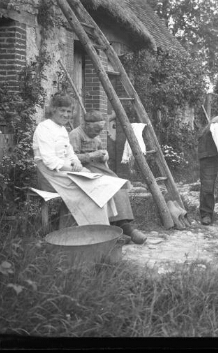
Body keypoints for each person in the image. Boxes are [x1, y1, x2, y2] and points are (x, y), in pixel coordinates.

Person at [32, 93, 137, 239]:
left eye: (69, 111)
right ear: (53, 109)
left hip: (63, 171)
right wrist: (74, 168)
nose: (65, 115)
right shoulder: (44, 128)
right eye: (62, 110)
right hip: (49, 175)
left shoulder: (62, 129)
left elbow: (70, 154)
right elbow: (50, 161)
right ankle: (96, 234)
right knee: (91, 189)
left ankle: (109, 229)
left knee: (101, 183)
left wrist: (78, 164)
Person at [69, 110, 147, 244]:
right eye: (95, 129)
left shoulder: (97, 137)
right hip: (83, 170)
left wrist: (105, 155)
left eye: (100, 129)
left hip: (98, 168)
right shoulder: (75, 134)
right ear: (86, 124)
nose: (97, 133)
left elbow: (102, 154)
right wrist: (92, 155)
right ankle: (120, 228)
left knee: (119, 184)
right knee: (106, 186)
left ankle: (122, 224)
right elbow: (71, 158)